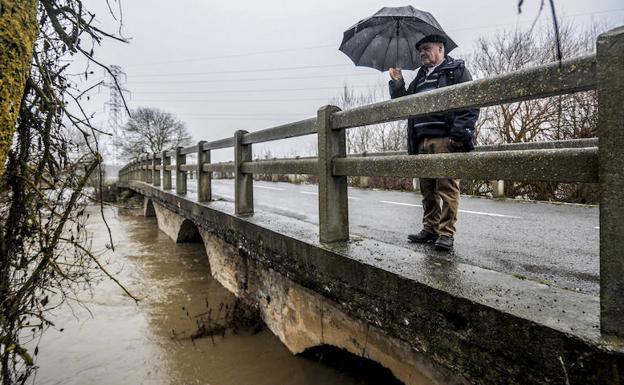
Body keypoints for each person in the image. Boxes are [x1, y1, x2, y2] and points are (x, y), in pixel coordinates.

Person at [388, 34, 479, 251]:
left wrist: (457, 136)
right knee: (427, 189)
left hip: (444, 139)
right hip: (421, 139)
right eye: (420, 49)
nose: (422, 52)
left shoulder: (456, 71)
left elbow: (471, 102)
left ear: (441, 48)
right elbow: (403, 105)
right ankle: (430, 228)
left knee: (446, 187)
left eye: (426, 48)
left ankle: (446, 233)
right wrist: (397, 81)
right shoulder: (419, 77)